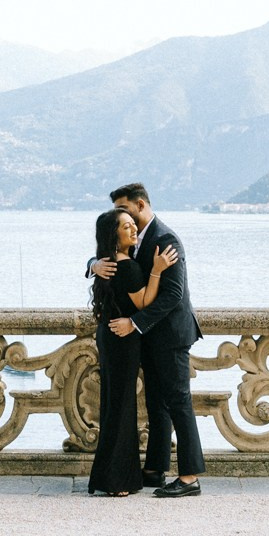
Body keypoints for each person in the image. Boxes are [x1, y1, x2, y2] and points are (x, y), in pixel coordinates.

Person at [90, 183, 204, 496]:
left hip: (170, 335)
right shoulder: (135, 236)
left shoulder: (165, 239)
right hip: (148, 336)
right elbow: (111, 255)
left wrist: (135, 324)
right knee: (156, 405)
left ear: (140, 205)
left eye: (124, 210)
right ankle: (155, 470)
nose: (121, 216)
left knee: (179, 402)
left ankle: (190, 477)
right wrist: (92, 265)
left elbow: (173, 294)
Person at [86, 207, 178, 495]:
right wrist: (157, 271)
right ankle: (117, 480)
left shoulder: (107, 262)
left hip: (109, 336)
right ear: (115, 235)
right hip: (123, 340)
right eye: (126, 227)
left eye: (132, 225)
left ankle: (109, 476)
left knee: (114, 406)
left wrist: (92, 263)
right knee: (122, 408)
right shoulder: (126, 266)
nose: (133, 229)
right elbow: (144, 303)